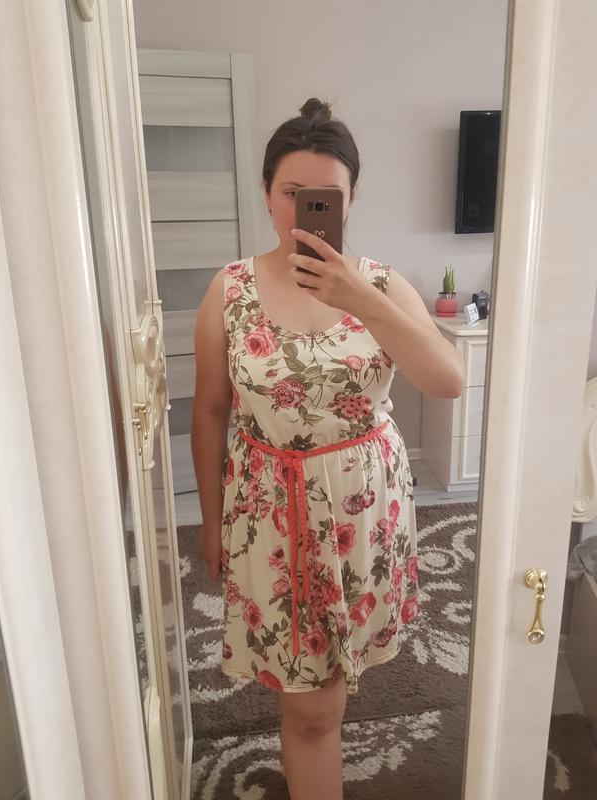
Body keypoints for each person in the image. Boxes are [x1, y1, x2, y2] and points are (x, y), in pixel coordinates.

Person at [191, 97, 465, 800]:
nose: (304, 209)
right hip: (271, 512)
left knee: (338, 679)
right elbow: (211, 410)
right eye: (291, 192)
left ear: (349, 200)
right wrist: (213, 520)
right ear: (266, 193)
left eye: (326, 196)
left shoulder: (381, 284)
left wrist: (359, 297)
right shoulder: (229, 290)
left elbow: (448, 380)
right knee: (311, 705)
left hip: (363, 512)